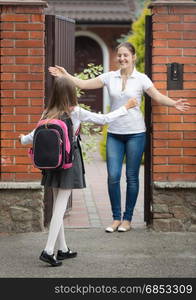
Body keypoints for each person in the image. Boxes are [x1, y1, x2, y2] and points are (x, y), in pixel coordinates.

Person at [49, 42, 190, 234]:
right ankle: (116, 218)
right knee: (113, 177)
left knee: (132, 177)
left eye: (126, 55)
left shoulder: (141, 79)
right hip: (115, 133)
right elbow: (83, 84)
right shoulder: (109, 77)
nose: (122, 58)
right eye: (120, 55)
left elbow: (156, 96)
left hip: (136, 133)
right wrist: (65, 75)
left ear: (133, 57)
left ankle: (127, 219)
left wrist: (174, 103)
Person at [18, 76, 138, 267]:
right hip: (67, 163)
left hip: (51, 165)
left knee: (58, 204)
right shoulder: (75, 112)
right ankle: (48, 250)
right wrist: (126, 107)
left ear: (55, 94)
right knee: (60, 207)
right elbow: (104, 119)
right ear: (71, 93)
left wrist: (22, 138)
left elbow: (32, 137)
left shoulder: (47, 113)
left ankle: (62, 249)